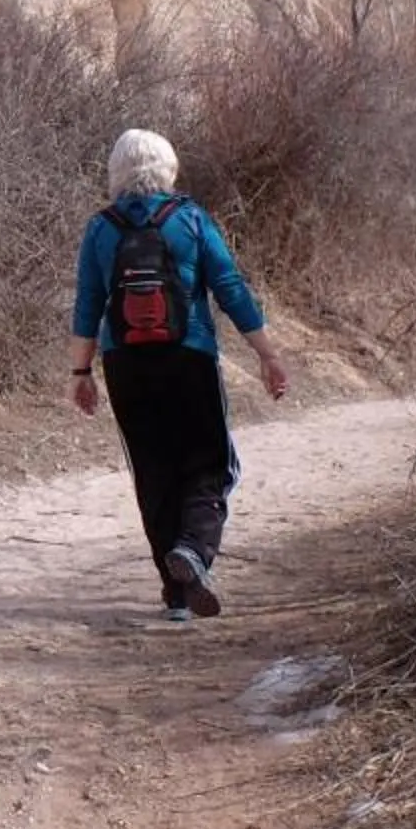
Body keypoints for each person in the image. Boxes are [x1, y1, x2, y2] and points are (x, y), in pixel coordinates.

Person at [68, 128, 289, 622]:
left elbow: (87, 304)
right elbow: (230, 288)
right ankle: (193, 550)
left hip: (125, 363)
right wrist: (267, 354)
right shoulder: (189, 219)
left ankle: (176, 596)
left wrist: (80, 372)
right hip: (189, 356)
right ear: (168, 169)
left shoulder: (101, 229)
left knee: (153, 473)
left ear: (116, 171)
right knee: (211, 465)